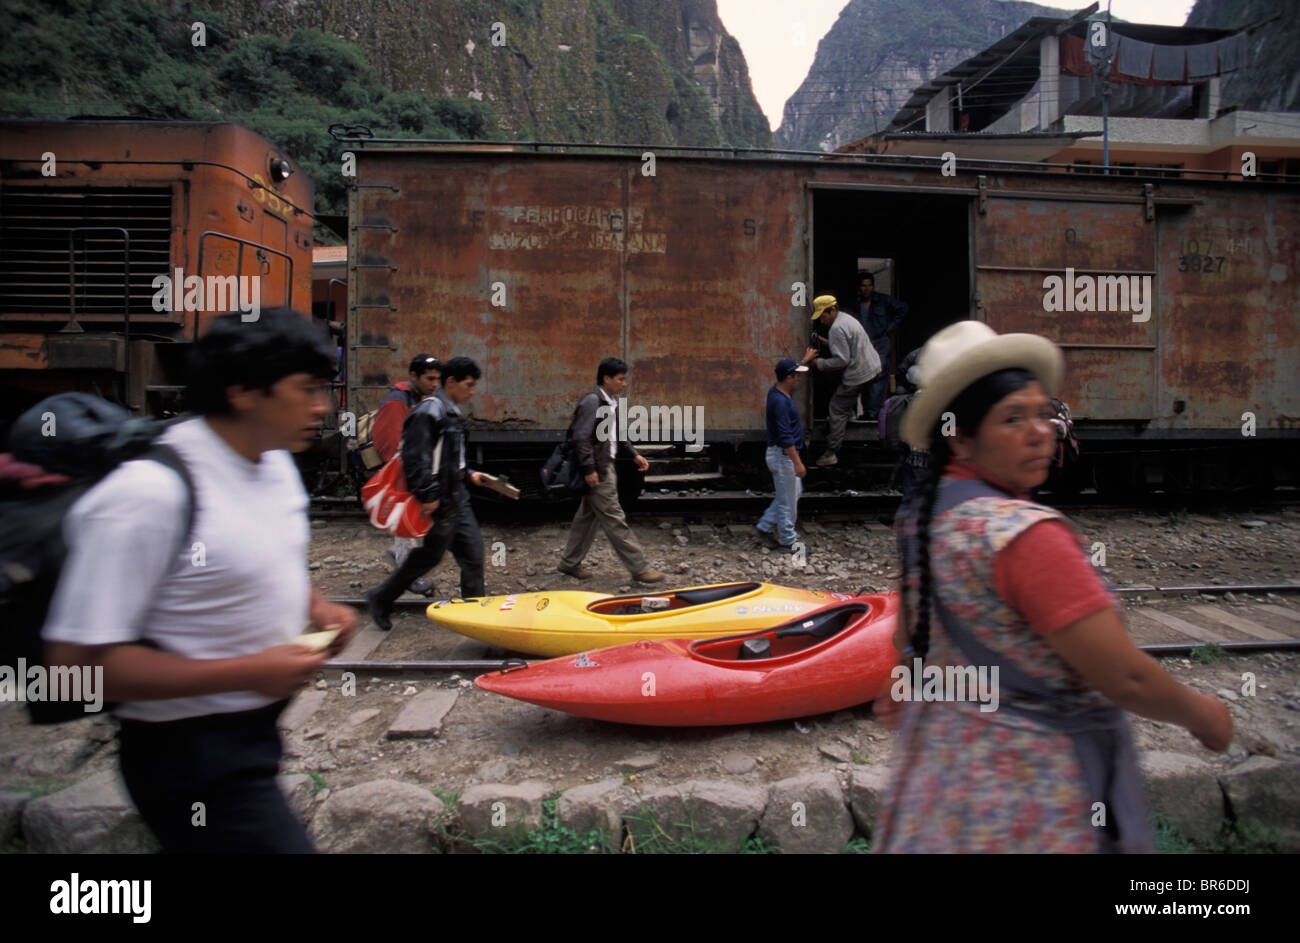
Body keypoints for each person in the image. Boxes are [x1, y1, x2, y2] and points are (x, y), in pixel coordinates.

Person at [873, 321, 1233, 853]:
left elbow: (913, 634)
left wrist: (905, 682)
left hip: (945, 778)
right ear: (961, 435)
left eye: (1043, 413)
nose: (1041, 431)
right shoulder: (1027, 536)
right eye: (1013, 418)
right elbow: (1126, 678)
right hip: (1034, 793)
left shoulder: (923, 519)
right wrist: (1203, 715)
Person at [41, 308, 359, 853]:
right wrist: (248, 670)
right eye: (306, 389)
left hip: (255, 736)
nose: (321, 407)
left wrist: (316, 606)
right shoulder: (145, 495)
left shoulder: (273, 461)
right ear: (242, 391)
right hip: (188, 755)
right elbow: (72, 669)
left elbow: (254, 553)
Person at [365, 356, 488, 630]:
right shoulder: (429, 412)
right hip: (442, 499)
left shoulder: (449, 411)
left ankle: (477, 615)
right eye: (468, 385)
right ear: (451, 382)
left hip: (456, 496)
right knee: (433, 557)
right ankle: (381, 598)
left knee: (471, 555)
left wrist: (469, 474)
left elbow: (449, 458)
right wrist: (428, 495)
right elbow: (414, 458)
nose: (472, 391)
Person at [556, 357, 664, 583]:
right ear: (606, 378)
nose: (624, 384)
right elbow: (581, 438)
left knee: (587, 517)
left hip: (605, 465)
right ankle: (640, 568)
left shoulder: (609, 402)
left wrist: (634, 454)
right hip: (599, 469)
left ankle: (569, 563)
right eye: (621, 379)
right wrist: (589, 469)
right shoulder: (592, 402)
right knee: (615, 518)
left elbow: (616, 435)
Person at [373, 353, 442, 597]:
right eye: (429, 379)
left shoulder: (413, 398)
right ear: (414, 376)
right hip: (404, 472)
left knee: (409, 523)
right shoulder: (398, 401)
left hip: (410, 471)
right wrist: (407, 473)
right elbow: (391, 442)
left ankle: (402, 560)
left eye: (437, 380)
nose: (434, 384)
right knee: (408, 524)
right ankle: (408, 577)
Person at [801, 295, 880, 467]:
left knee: (836, 407)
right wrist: (827, 343)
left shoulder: (836, 328)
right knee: (843, 396)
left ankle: (831, 452)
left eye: (823, 316)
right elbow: (847, 345)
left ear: (833, 310)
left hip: (859, 372)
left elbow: (842, 360)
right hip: (871, 366)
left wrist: (817, 363)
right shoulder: (846, 319)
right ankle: (849, 414)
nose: (822, 321)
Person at [755, 358, 808, 550]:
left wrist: (803, 360)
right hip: (783, 456)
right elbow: (785, 436)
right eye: (796, 376)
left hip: (781, 455)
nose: (799, 379)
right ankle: (789, 542)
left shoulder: (777, 391)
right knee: (788, 503)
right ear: (788, 377)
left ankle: (765, 526)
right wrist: (797, 462)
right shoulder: (780, 402)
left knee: (792, 494)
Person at [849, 272, 910, 416]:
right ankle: (867, 411)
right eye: (864, 286)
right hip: (863, 344)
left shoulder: (883, 300)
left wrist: (890, 327)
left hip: (880, 342)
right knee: (864, 376)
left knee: (879, 375)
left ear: (873, 286)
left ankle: (873, 412)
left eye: (869, 285)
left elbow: (903, 308)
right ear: (859, 287)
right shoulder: (854, 304)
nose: (867, 289)